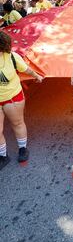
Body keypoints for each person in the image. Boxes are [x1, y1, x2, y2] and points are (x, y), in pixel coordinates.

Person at [0, 31, 43, 169]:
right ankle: (2, 156)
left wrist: (37, 76)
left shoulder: (12, 57)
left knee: (17, 123)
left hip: (13, 97)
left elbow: (27, 70)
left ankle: (22, 149)